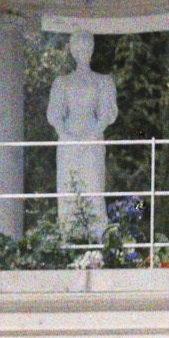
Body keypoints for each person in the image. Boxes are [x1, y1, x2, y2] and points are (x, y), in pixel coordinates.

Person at [46, 32, 118, 240]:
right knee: (69, 186)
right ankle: (69, 236)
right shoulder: (62, 82)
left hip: (93, 136)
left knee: (93, 184)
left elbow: (106, 112)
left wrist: (93, 134)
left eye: (87, 47)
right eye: (79, 47)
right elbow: (54, 113)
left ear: (92, 49)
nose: (83, 52)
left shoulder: (103, 81)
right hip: (68, 139)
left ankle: (96, 237)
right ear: (73, 51)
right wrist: (65, 134)